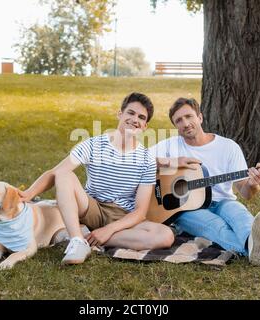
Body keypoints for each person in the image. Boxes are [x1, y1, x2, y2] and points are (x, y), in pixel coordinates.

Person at [19, 92, 175, 265]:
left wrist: (109, 230)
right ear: (120, 114)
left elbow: (140, 212)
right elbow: (55, 172)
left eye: (141, 117)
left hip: (123, 217)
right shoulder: (93, 144)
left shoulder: (146, 159)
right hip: (91, 208)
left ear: (145, 126)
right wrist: (28, 194)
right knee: (64, 174)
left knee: (166, 236)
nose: (134, 119)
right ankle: (77, 241)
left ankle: (91, 236)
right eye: (130, 113)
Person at [149, 97, 260, 266]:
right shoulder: (170, 146)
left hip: (223, 202)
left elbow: (245, 192)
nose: (185, 123)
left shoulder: (228, 147)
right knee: (216, 227)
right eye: (179, 120)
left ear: (200, 117)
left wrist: (252, 184)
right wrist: (172, 162)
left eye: (189, 116)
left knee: (240, 216)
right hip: (184, 209)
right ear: (175, 126)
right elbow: (139, 160)